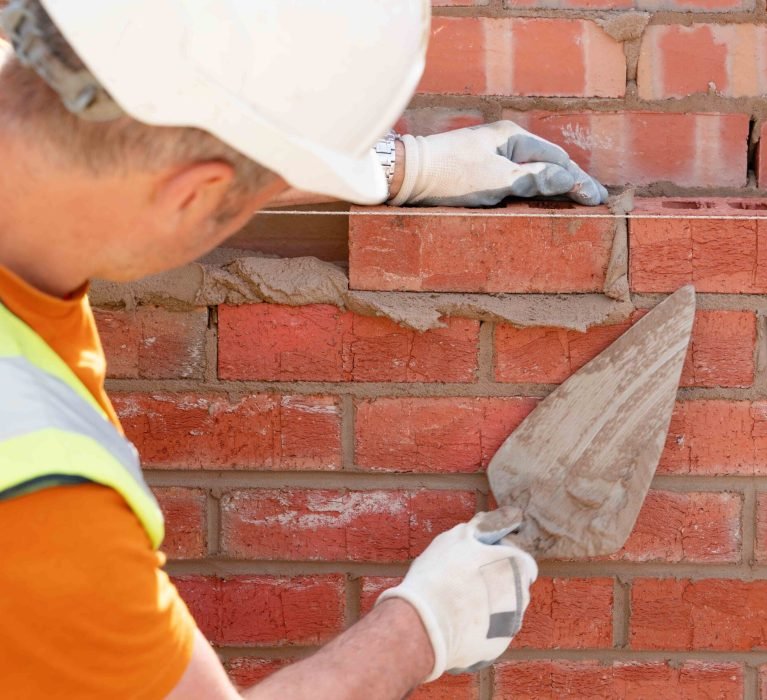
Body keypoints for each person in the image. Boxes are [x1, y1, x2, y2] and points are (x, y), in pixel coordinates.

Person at [0, 1, 608, 698]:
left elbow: (135, 142)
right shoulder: (43, 504)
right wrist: (423, 628)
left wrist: (405, 168)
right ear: (194, 195)